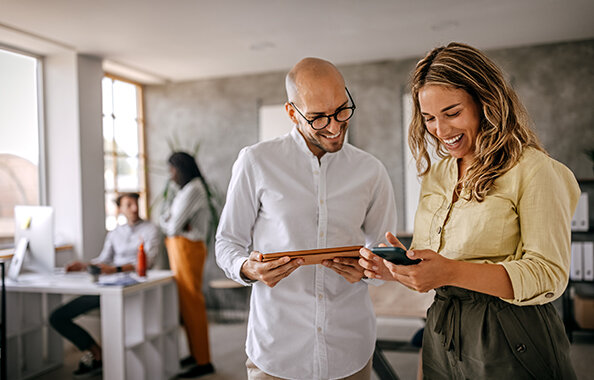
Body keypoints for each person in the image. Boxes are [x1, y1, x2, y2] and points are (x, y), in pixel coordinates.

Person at [359, 42, 580, 379]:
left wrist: (450, 272)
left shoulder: (533, 169)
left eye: (453, 113)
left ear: (485, 102)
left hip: (512, 335)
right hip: (442, 331)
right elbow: (439, 264)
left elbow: (548, 274)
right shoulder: (437, 174)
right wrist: (399, 270)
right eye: (429, 118)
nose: (441, 131)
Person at [215, 57, 397, 380]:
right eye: (317, 118)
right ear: (291, 113)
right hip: (277, 351)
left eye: (342, 109)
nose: (335, 126)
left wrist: (370, 269)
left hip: (350, 349)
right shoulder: (256, 162)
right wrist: (249, 268)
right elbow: (227, 242)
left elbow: (384, 251)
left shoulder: (371, 172)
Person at [49, 192, 161, 379]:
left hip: (132, 288)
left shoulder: (151, 229)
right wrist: (84, 266)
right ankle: (96, 352)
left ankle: (114, 364)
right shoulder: (115, 233)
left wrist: (114, 269)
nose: (134, 208)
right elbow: (103, 260)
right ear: (120, 209)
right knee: (57, 317)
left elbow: (146, 263)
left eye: (136, 204)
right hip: (107, 287)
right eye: (128, 204)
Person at [160, 151, 214, 378]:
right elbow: (168, 220)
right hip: (180, 248)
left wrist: (170, 222)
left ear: (181, 168)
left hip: (187, 249)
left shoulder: (193, 189)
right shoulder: (184, 190)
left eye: (173, 169)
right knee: (186, 304)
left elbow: (170, 226)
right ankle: (195, 355)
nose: (171, 175)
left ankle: (203, 361)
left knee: (192, 303)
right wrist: (171, 221)